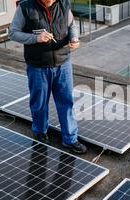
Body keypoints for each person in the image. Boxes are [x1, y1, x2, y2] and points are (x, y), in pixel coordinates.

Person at [9, 0, 87, 154]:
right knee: (39, 102)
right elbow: (13, 33)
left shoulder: (64, 4)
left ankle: (70, 139)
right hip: (38, 66)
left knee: (66, 103)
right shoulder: (25, 7)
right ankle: (39, 132)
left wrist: (74, 39)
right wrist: (35, 38)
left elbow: (72, 26)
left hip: (63, 64)